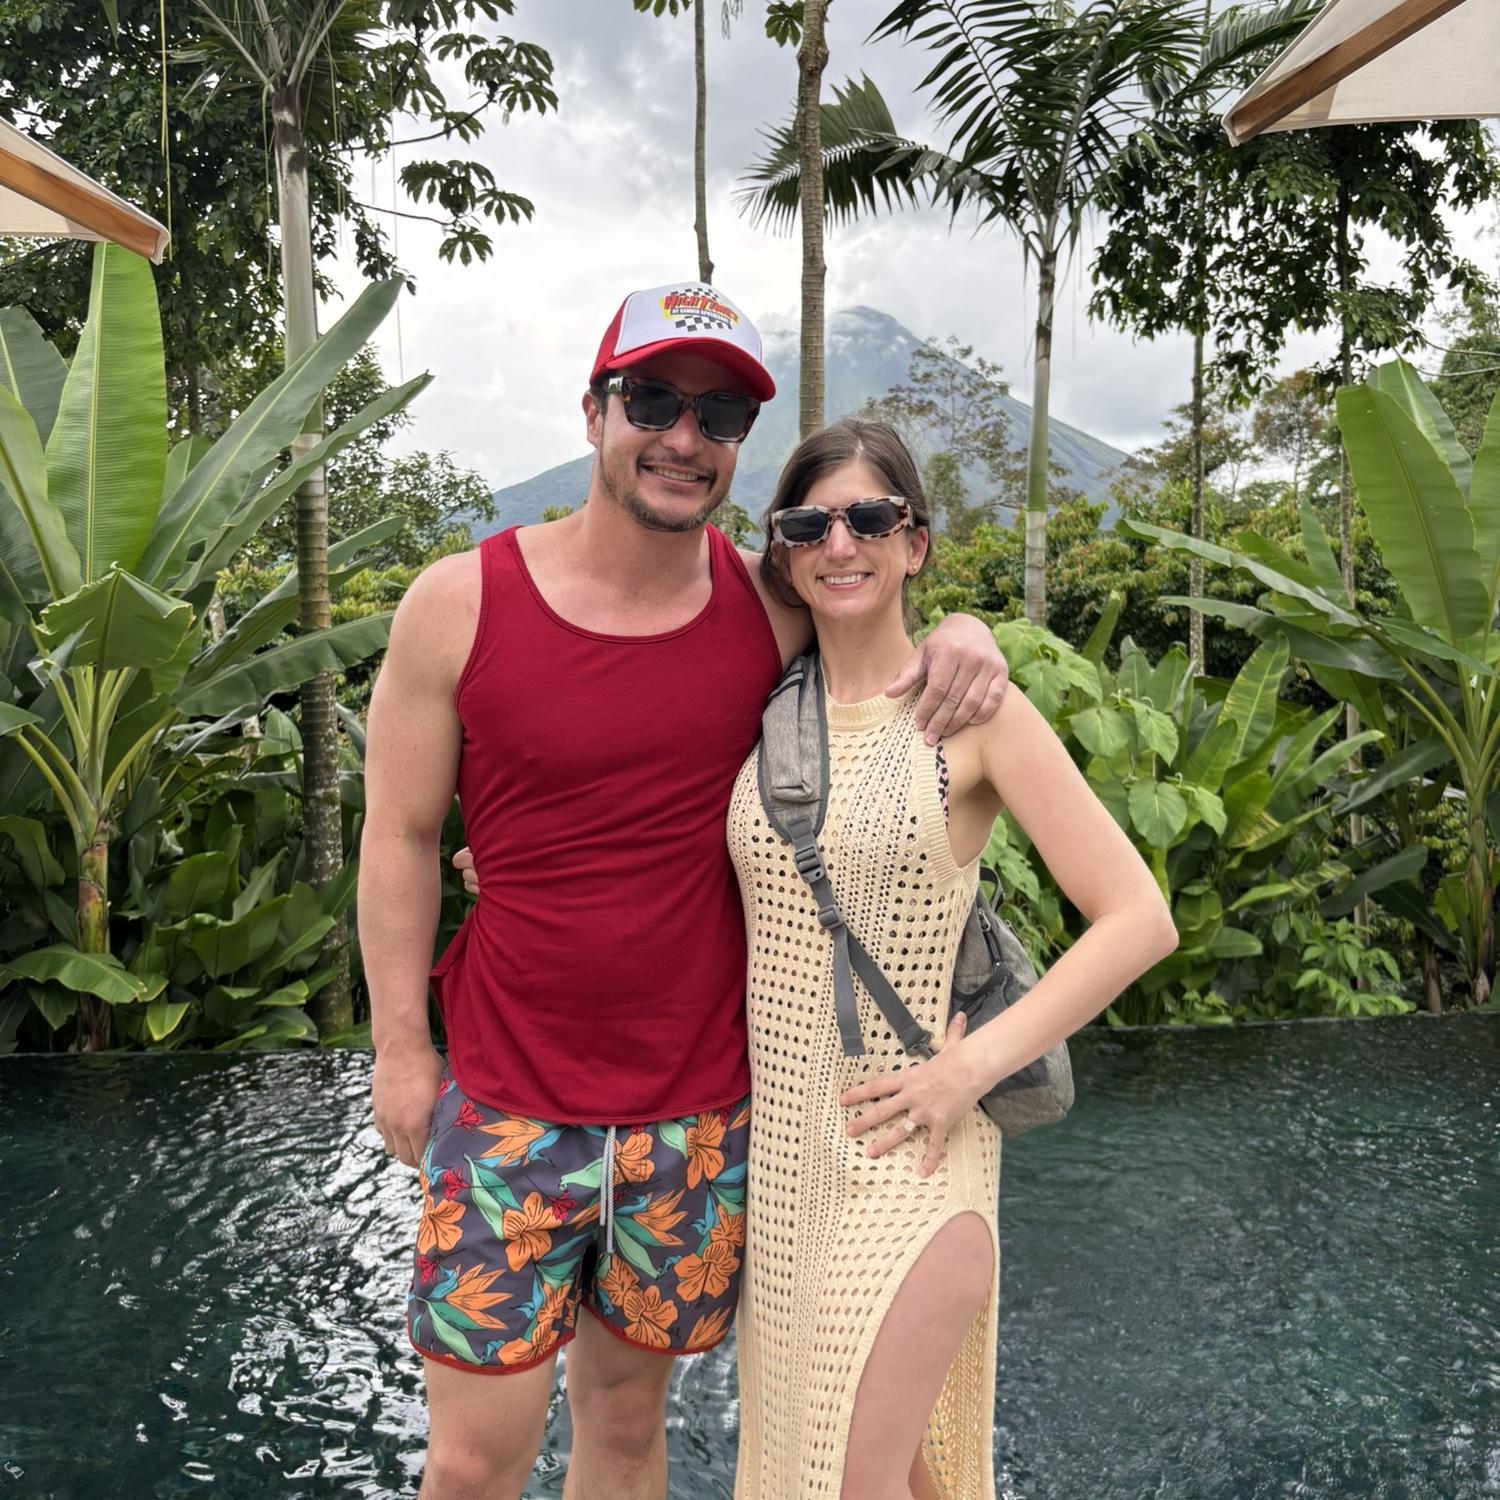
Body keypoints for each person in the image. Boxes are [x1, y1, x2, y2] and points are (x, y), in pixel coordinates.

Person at [358, 281, 1011, 1500]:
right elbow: (398, 834)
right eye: (653, 400)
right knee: (470, 1461)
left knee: (624, 1427)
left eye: (719, 415)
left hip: (696, 1118)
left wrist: (968, 629)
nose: (684, 436)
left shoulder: (767, 608)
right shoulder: (461, 602)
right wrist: (402, 1048)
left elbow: (878, 613)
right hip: (506, 1103)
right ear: (596, 411)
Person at [725, 419, 1179, 1500]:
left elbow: (1138, 918)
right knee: (878, 1473)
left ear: (915, 542)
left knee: (846, 1483)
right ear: (782, 550)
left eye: (869, 517)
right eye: (810, 524)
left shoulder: (970, 713)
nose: (841, 543)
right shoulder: (765, 703)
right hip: (783, 1172)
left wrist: (967, 1070)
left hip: (915, 1157)